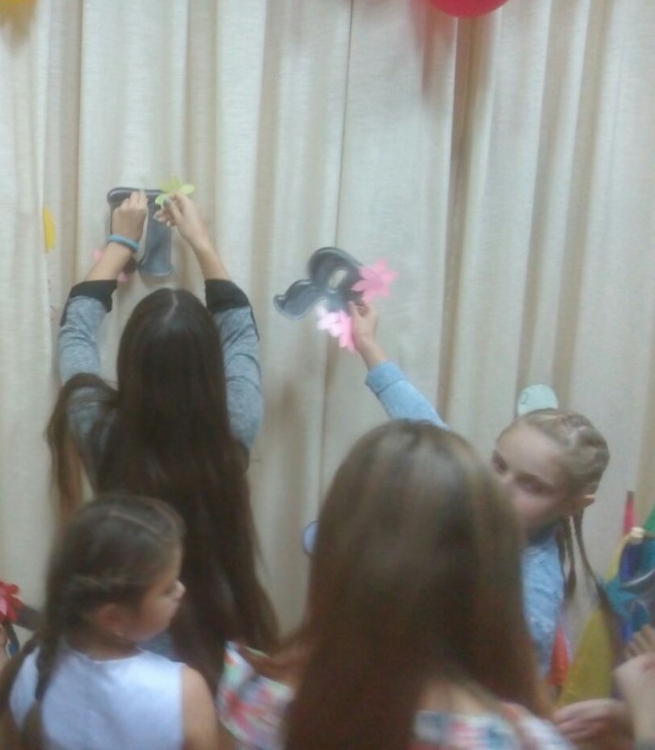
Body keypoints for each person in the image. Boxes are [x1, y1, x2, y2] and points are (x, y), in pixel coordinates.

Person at [217, 421, 573, 750]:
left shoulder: (253, 699)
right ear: (490, 572)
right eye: (499, 466)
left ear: (336, 552)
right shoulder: (525, 742)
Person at [47, 191, 277, 689]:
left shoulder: (99, 428)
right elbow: (241, 334)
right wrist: (200, 241)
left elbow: (75, 334)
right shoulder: (234, 425)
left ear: (129, 364)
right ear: (210, 370)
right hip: (218, 635)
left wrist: (120, 241)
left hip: (128, 632)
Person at [348, 301, 610, 677]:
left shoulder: (534, 591)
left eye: (531, 486)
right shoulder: (477, 494)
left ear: (574, 503)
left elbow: (510, 689)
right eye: (499, 465)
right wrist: (368, 343)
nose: (500, 486)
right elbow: (424, 425)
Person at [0, 494, 216, 750]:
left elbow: (7, 728)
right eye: (168, 588)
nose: (181, 590)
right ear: (114, 618)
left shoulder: (29, 672)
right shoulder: (183, 693)